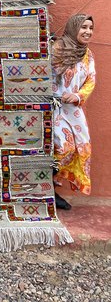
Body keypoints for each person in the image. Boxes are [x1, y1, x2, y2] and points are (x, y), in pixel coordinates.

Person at [51, 14, 96, 210]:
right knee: (63, 147)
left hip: (74, 110)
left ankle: (51, 190)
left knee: (82, 147)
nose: (88, 31)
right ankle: (48, 191)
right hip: (54, 108)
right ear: (73, 27)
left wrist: (77, 96)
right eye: (83, 27)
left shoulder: (87, 54)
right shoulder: (57, 49)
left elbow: (91, 80)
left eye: (91, 28)